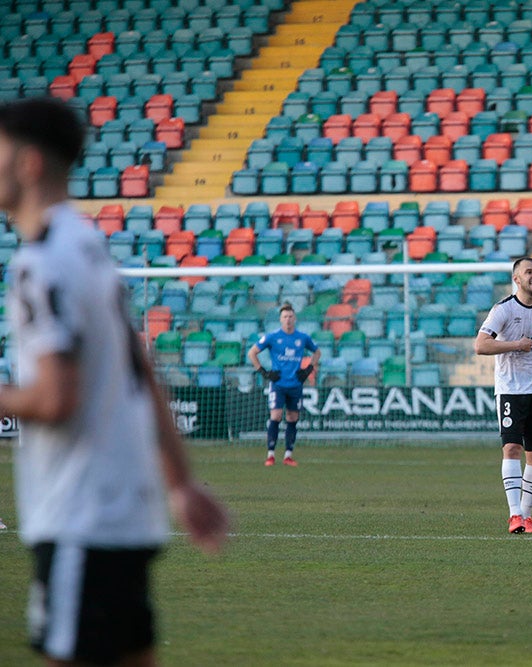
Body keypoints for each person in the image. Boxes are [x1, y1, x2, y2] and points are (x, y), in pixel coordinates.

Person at [0, 97, 229, 666]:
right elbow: (140, 364)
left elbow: (55, 399)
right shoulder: (86, 242)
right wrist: (180, 481)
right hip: (124, 511)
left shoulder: (42, 262)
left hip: (78, 516)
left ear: (27, 163)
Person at [474, 257, 532, 534]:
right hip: (511, 389)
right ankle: (514, 514)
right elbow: (480, 345)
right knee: (511, 448)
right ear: (517, 279)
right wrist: (517, 344)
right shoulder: (503, 310)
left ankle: (526, 517)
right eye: (529, 272)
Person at [247, 302, 320, 467]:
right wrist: (263, 372)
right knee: (276, 416)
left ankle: (288, 455)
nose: (288, 320)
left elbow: (317, 352)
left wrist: (308, 369)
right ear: (280, 319)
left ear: (295, 318)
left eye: (290, 316)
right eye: (285, 317)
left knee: (292, 418)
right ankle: (270, 455)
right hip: (278, 384)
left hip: (295, 384)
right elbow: (252, 352)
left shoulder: (302, 338)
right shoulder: (272, 337)